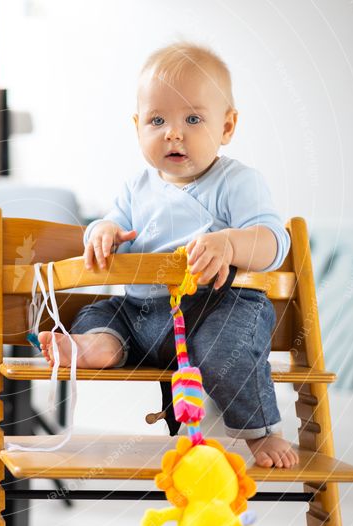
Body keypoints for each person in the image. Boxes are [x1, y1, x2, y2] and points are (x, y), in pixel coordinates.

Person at [39, 42, 298, 468]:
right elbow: (112, 220)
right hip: (141, 312)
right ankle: (100, 345)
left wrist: (231, 243)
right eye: (157, 120)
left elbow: (274, 242)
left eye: (193, 119)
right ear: (137, 125)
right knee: (100, 312)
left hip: (216, 306)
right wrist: (102, 231)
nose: (173, 133)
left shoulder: (238, 182)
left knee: (225, 349)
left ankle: (262, 432)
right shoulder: (135, 187)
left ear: (228, 126)